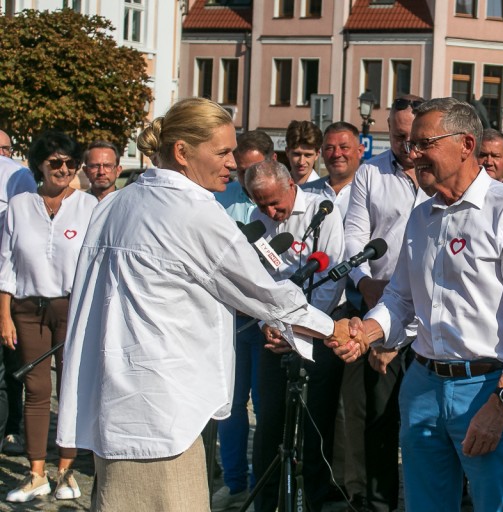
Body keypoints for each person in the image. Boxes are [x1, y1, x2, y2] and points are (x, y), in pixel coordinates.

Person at [56, 98, 337, 511]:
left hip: (114, 402)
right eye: (222, 152)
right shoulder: (194, 212)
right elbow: (266, 294)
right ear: (183, 152)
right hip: (164, 412)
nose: (232, 163)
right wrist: (337, 330)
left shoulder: (115, 202)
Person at [328, 97, 503, 512]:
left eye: (424, 143)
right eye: (410, 144)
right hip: (423, 386)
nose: (412, 155)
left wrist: (502, 402)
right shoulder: (422, 217)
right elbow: (400, 299)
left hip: (489, 388)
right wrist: (368, 333)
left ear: (466, 144)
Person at [341, 94, 431, 512]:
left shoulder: (442, 178)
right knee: (380, 420)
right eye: (397, 137)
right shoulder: (370, 174)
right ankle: (379, 504)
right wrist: (363, 282)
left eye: (414, 138)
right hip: (382, 310)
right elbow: (353, 236)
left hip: (431, 320)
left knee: (425, 426)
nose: (407, 147)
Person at [0, 131, 97, 502]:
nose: (63, 169)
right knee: (36, 390)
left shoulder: (88, 206)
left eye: (71, 163)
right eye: (55, 162)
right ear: (39, 163)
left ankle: (67, 470)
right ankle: (36, 471)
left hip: (71, 308)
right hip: (26, 308)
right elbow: (6, 264)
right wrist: (4, 315)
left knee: (70, 387)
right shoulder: (20, 205)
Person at [245, 159, 346, 512]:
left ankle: (319, 501)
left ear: (291, 186)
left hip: (318, 330)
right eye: (261, 205)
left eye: (275, 202)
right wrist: (267, 325)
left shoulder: (323, 211)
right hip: (274, 334)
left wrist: (299, 330)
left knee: (317, 427)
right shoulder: (259, 223)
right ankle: (267, 502)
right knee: (270, 423)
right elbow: (257, 282)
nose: (270, 212)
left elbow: (330, 282)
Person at [210, 129, 277, 512]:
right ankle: (234, 482)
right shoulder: (221, 197)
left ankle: (258, 486)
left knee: (265, 410)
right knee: (231, 406)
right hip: (230, 319)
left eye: (254, 170)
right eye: (241, 171)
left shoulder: (275, 199)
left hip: (264, 318)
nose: (247, 180)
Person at [0, 137, 35, 458]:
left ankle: (10, 428)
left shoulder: (18, 177)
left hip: (10, 284)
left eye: (6, 149)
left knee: (12, 365)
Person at [302, 121, 364, 221]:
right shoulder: (304, 193)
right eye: (330, 148)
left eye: (344, 147)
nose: (336, 154)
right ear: (322, 152)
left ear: (360, 151)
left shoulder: (371, 194)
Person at [215, 129, 276, 224]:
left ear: (273, 160)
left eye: (254, 170)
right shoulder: (218, 198)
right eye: (242, 171)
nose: (249, 178)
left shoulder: (287, 201)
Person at [285, 120, 322, 185]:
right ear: (287, 152)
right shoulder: (276, 188)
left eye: (308, 155)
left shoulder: (325, 192)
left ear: (317, 154)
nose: (302, 162)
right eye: (297, 154)